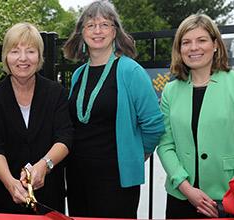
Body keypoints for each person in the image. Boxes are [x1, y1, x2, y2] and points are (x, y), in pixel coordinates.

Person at [63, 1, 164, 218]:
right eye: (90, 25)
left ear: (115, 31)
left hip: (116, 179)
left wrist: (136, 153)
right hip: (77, 175)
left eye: (104, 24)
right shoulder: (79, 74)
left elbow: (154, 124)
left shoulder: (131, 70)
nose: (97, 31)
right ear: (82, 33)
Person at [0, 22, 73, 214]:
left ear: (40, 56)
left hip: (48, 196)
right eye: (15, 51)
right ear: (5, 56)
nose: (23, 58)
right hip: (3, 197)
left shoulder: (56, 93)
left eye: (30, 51)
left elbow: (65, 137)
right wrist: (10, 183)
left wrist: (44, 165)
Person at [157, 13, 234, 219]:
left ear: (215, 44)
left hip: (228, 196)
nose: (193, 48)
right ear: (179, 49)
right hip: (181, 197)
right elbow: (165, 144)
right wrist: (186, 188)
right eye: (186, 42)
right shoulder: (170, 91)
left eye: (201, 40)